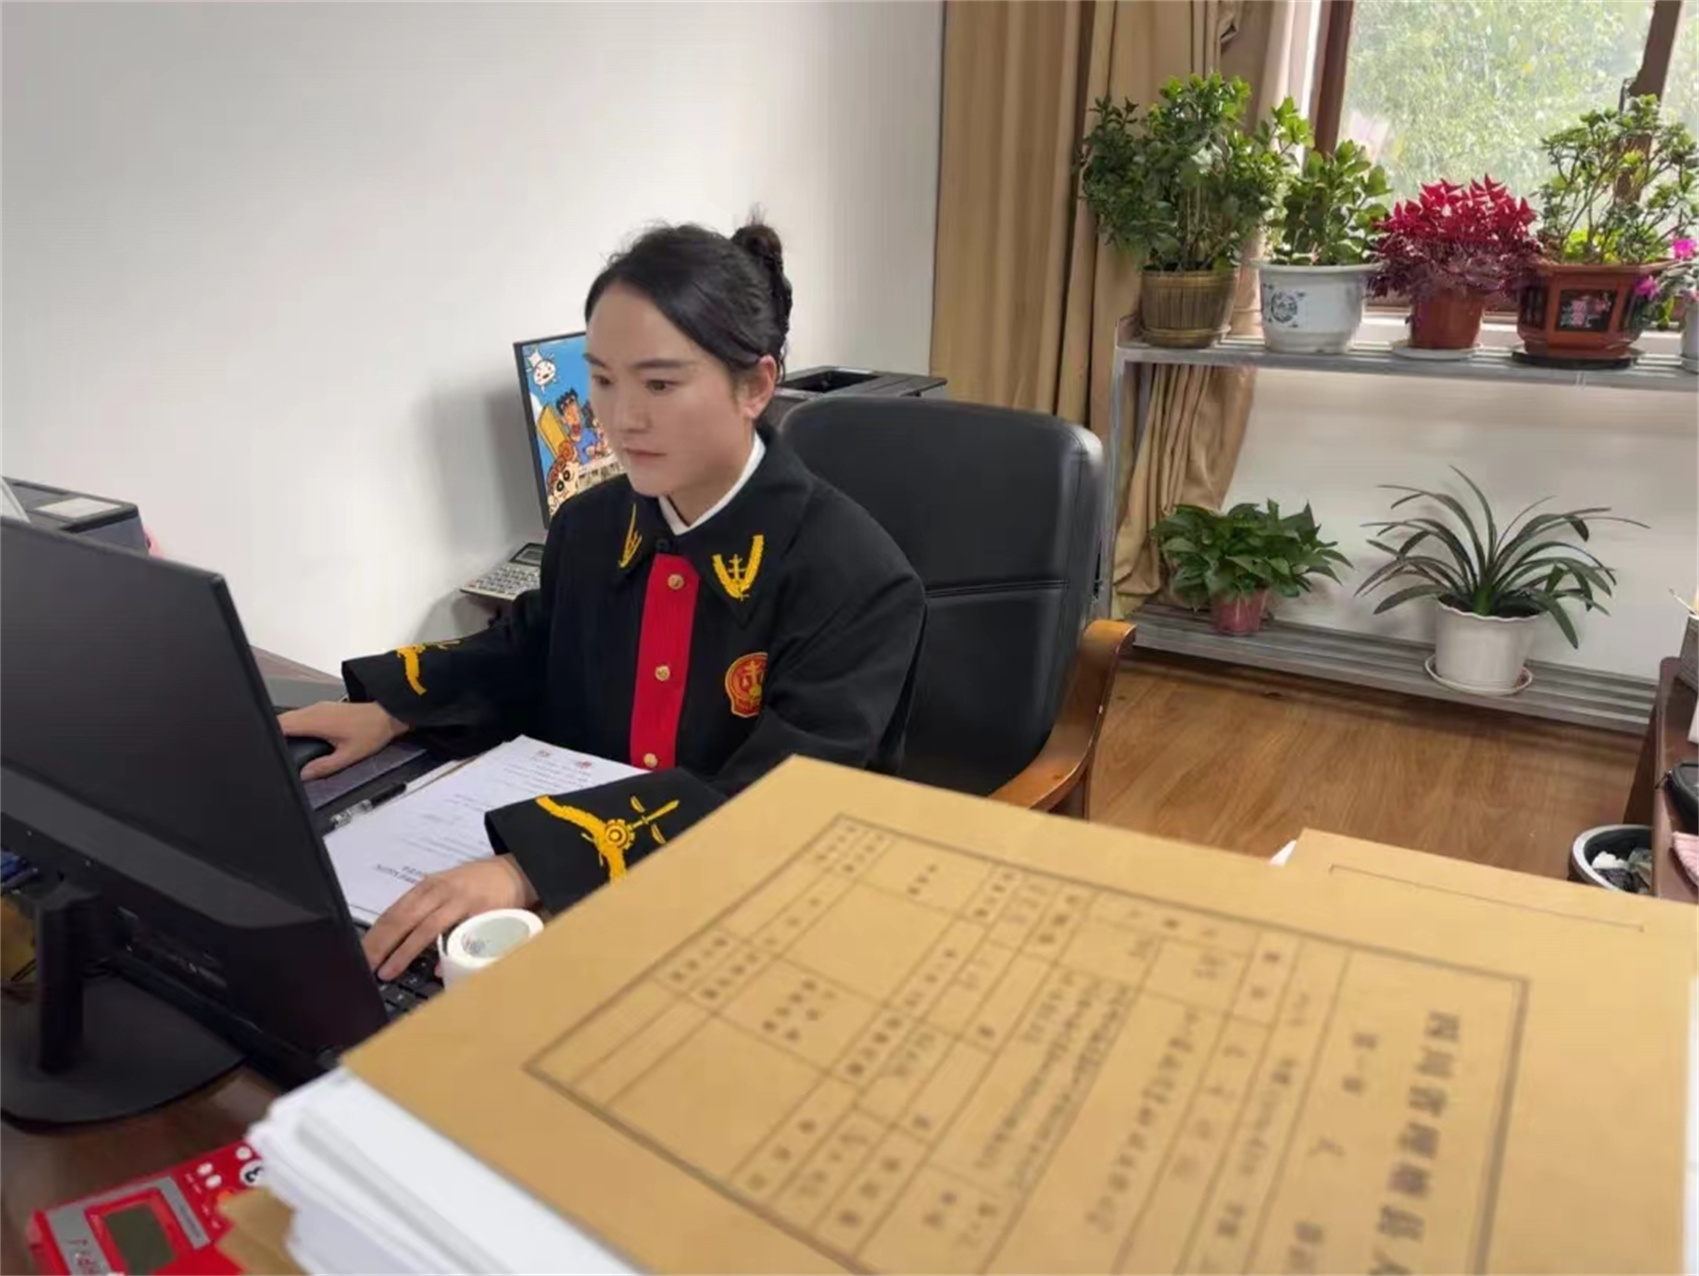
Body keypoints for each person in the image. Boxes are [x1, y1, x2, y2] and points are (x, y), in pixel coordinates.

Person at [281, 220, 926, 980]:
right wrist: (393, 706)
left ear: (755, 386)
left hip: (761, 915)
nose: (621, 419)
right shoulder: (592, 524)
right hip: (583, 911)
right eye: (604, 380)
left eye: (659, 384)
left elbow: (774, 802)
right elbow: (528, 648)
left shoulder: (855, 577)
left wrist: (531, 864)